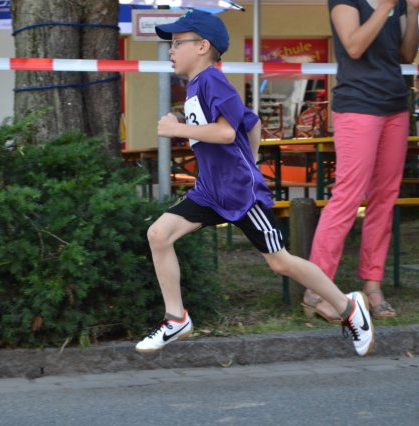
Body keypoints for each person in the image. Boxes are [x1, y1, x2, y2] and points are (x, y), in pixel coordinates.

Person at [135, 9, 374, 357]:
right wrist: (249, 157)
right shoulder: (198, 85)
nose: (170, 50)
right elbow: (252, 121)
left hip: (239, 194)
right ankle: (176, 318)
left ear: (202, 46)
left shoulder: (212, 80)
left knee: (280, 262)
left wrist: (178, 129)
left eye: (176, 43)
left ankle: (348, 307)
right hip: (210, 191)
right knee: (158, 234)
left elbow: (226, 132)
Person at [302, 0, 419, 323]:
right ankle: (315, 290)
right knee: (348, 195)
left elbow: (407, 54)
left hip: (395, 106)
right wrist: (385, 7)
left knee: (384, 199)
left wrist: (412, 12)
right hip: (357, 105)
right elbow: (354, 46)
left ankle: (372, 285)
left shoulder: (397, 4)